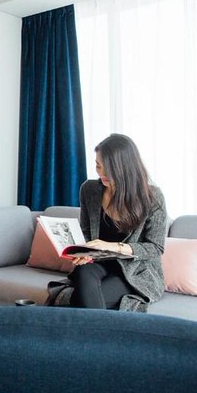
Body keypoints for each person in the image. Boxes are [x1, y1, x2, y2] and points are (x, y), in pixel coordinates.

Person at [68, 133, 167, 311]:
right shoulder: (90, 190)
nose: (102, 173)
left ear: (125, 167)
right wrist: (83, 252)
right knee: (82, 273)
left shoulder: (152, 197)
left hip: (135, 270)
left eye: (109, 168)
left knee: (81, 298)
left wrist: (114, 247)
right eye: (98, 166)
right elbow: (86, 232)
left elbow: (155, 247)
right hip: (98, 262)